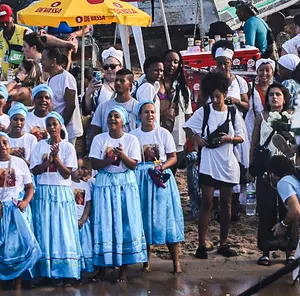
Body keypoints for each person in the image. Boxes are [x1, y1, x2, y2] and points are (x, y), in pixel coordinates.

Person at [185, 72, 246, 259]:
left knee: (226, 204)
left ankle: (223, 243)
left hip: (228, 161)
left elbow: (241, 137)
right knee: (207, 201)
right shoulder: (204, 111)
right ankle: (202, 244)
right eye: (212, 96)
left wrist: (228, 138)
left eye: (218, 96)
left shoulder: (233, 112)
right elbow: (187, 127)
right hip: (209, 161)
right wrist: (196, 138)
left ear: (225, 94)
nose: (215, 100)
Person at [88, 106, 146, 279]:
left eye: (116, 116)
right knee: (104, 222)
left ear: (123, 121)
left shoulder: (131, 140)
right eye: (110, 116)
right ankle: (103, 266)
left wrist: (122, 156)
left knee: (124, 222)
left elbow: (133, 165)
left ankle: (123, 268)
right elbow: (94, 164)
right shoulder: (100, 139)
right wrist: (108, 159)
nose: (112, 119)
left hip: (125, 184)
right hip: (105, 182)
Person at [0, 132, 39, 285]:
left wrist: (25, 202)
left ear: (10, 145)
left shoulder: (20, 163)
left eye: (5, 142)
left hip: (16, 210)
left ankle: (17, 283)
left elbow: (30, 188)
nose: (2, 146)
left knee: (16, 246)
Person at [28, 111, 81, 282]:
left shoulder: (67, 147)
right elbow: (34, 170)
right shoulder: (39, 146)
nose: (51, 127)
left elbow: (67, 174)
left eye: (54, 124)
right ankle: (46, 272)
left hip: (61, 192)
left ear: (60, 126)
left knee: (62, 230)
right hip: (44, 191)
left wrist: (56, 158)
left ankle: (65, 271)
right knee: (44, 230)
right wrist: (47, 161)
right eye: (48, 124)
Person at [132, 99, 184, 273]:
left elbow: (173, 157)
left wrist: (162, 167)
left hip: (160, 177)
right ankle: (146, 261)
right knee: (144, 216)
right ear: (140, 115)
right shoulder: (133, 135)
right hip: (141, 178)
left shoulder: (163, 134)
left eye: (152, 112)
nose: (150, 115)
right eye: (146, 112)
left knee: (167, 217)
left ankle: (176, 263)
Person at [250, 83, 294, 264]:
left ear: (284, 98)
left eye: (278, 94)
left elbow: (297, 142)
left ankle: (290, 251)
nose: (274, 98)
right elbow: (254, 142)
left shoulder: (292, 117)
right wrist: (251, 166)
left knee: (288, 208)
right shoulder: (261, 117)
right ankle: (266, 250)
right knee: (266, 209)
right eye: (271, 95)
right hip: (266, 168)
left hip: (287, 167)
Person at [270, 155, 300, 253]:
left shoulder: (284, 182)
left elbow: (296, 210)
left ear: (273, 173)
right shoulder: (296, 177)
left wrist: (283, 224)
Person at [43, 47, 81, 144]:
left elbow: (71, 105)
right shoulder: (49, 78)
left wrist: (61, 126)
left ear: (53, 61)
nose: (41, 62)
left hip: (67, 129)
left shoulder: (66, 78)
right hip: (55, 129)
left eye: (44, 59)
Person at [88, 68, 138, 142]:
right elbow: (94, 132)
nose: (117, 83)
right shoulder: (103, 107)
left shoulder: (138, 107)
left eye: (122, 81)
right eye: (116, 80)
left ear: (130, 85)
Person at [0, 4, 29, 81]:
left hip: (25, 79)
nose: (4, 25)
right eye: (1, 22)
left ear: (12, 17)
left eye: (6, 21)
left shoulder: (26, 33)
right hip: (6, 81)